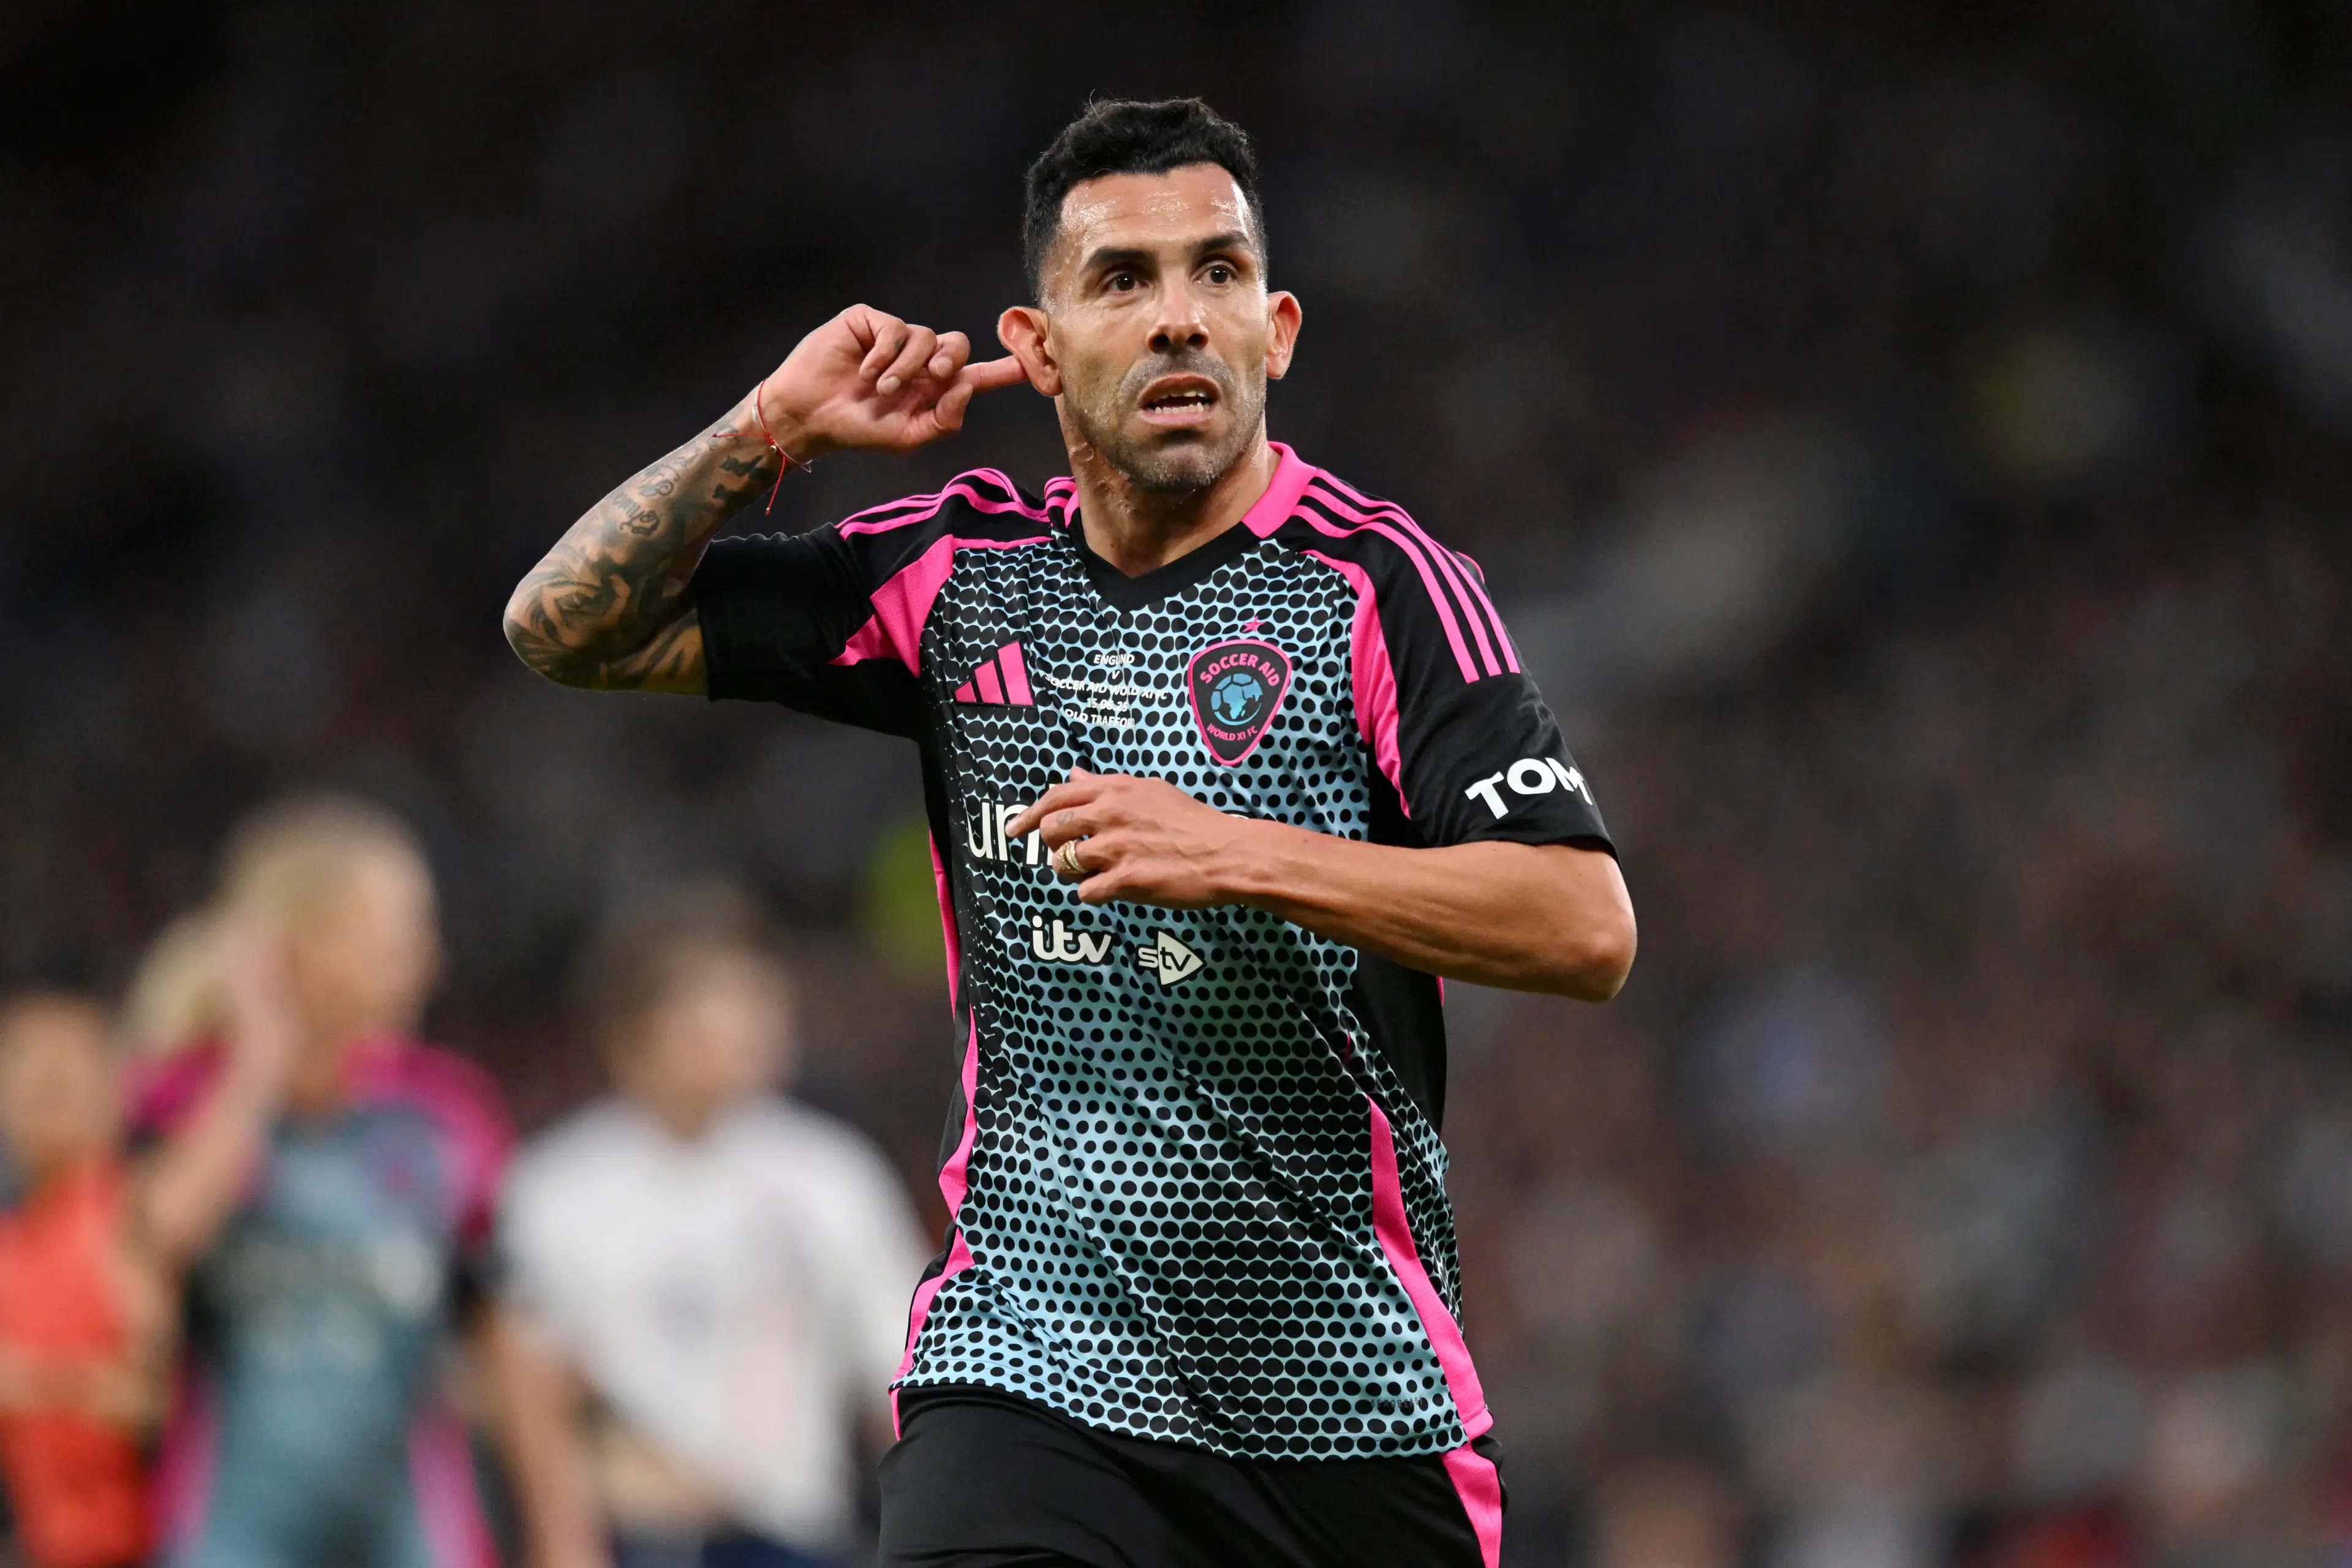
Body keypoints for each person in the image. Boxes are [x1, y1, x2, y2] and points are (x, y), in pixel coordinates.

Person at [503, 97, 1638, 1568]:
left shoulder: (1381, 584)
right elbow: (564, 628)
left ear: (1275, 330)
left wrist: (1234, 851)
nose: (1179, 318)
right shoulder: (955, 573)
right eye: (1123, 279)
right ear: (1034, 349)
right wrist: (766, 428)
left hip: (1340, 1398)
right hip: (1028, 1369)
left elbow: (1582, 921)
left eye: (1216, 273)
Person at [119, 795, 563, 1568]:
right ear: (297, 945)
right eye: (402, 930)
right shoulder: (179, 1098)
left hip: (411, 1531)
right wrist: (257, 1060)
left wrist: (565, 1538)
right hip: (230, 1527)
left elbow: (509, 1338)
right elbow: (159, 1240)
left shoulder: (445, 1114)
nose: (431, 958)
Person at [495, 881, 927, 1568]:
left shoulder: (830, 1178)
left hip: (791, 1533)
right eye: (709, 1008)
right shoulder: (559, 1188)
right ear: (632, 1033)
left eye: (757, 1004)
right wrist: (565, 1536)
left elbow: (900, 1373)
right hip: (636, 1538)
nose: (741, 1029)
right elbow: (525, 1389)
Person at [0, 992, 170, 1568]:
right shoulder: (13, 1242)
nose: (44, 1098)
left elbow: (159, 1397)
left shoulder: (133, 1217)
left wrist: (38, 1383)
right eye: (29, 1081)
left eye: (63, 1082)